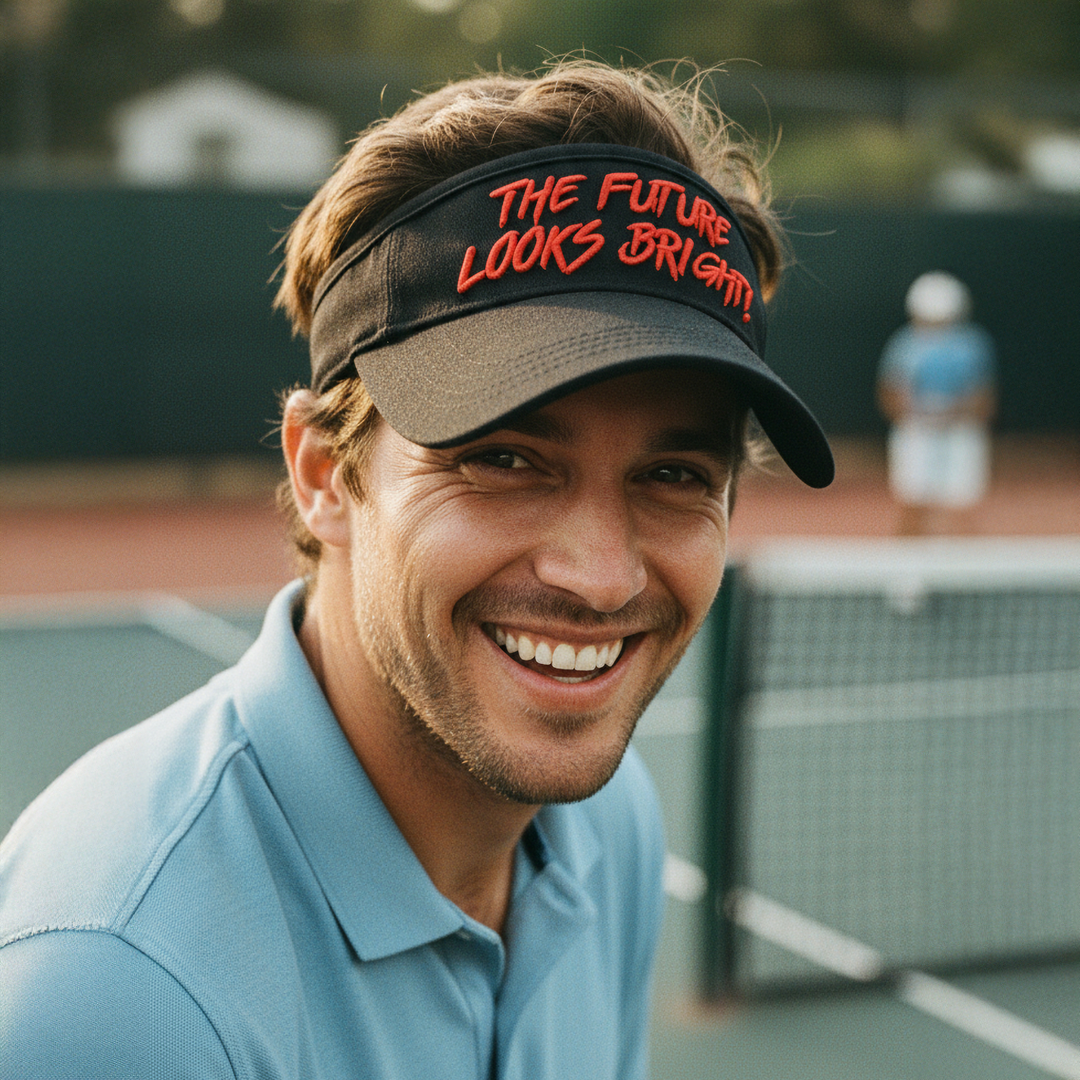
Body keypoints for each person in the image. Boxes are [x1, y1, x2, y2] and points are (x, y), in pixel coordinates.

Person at [0, 61, 833, 1077]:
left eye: (673, 473)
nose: (602, 576)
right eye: (504, 459)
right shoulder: (117, 999)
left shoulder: (605, 828)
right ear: (323, 474)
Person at [877, 271, 996, 536]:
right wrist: (918, 416)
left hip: (960, 435)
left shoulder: (972, 346)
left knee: (961, 510)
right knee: (912, 506)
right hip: (916, 434)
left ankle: (964, 575)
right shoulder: (904, 345)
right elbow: (889, 394)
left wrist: (953, 415)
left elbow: (984, 399)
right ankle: (906, 574)